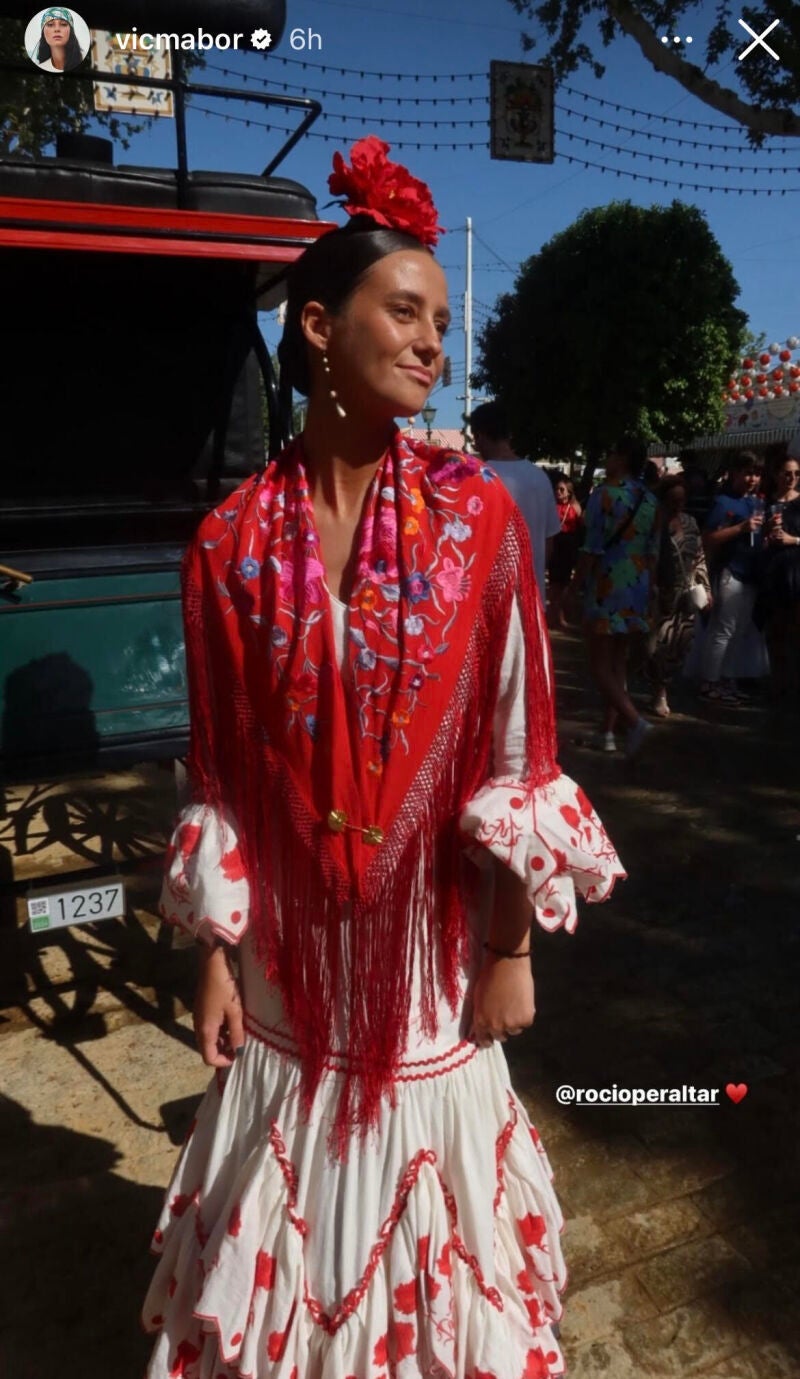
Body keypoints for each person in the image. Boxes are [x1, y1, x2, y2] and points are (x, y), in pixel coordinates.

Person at [143, 138, 624, 1379]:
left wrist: (510, 946)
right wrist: (214, 959)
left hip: (428, 953)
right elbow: (215, 769)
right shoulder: (227, 544)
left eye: (440, 321)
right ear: (316, 327)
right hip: (291, 957)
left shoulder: (479, 524)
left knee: (432, 1220)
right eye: (401, 311)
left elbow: (520, 740)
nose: (431, 341)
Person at [567, 436, 660, 756]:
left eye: (610, 452)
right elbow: (652, 551)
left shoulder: (603, 495)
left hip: (607, 583)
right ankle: (608, 732)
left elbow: (591, 548)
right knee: (618, 662)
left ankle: (634, 721)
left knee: (598, 664)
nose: (606, 458)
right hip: (636, 584)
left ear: (621, 458)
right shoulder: (648, 498)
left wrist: (573, 587)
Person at [468, 401, 561, 602]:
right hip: (531, 599)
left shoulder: (475, 479)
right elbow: (549, 542)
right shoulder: (540, 477)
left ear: (480, 436)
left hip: (489, 601)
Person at [699, 450, 765, 705]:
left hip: (751, 573)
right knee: (723, 630)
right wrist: (740, 528)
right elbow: (708, 538)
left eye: (757, 474)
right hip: (730, 572)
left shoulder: (754, 502)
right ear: (736, 473)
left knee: (738, 631)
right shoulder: (723, 502)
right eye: (748, 473)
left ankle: (727, 679)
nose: (752, 479)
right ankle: (709, 682)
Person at [646, 475, 711, 717]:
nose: (678, 505)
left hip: (685, 593)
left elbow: (700, 556)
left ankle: (663, 686)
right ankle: (659, 690)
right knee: (656, 646)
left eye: (682, 500)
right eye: (673, 500)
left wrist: (706, 588)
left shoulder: (690, 523)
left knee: (680, 645)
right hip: (661, 593)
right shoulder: (654, 524)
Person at [547, 475, 583, 630]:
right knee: (555, 585)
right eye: (557, 489)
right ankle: (554, 616)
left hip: (568, 549)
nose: (558, 492)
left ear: (569, 492)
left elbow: (581, 530)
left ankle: (558, 615)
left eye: (562, 489)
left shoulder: (575, 508)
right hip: (555, 547)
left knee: (563, 585)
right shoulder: (551, 508)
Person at [29, 7, 86, 72]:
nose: (57, 29)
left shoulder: (84, 60)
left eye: (63, 24)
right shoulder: (42, 67)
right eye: (50, 24)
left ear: (71, 31)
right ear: (43, 32)